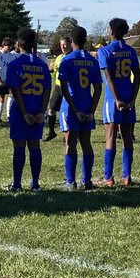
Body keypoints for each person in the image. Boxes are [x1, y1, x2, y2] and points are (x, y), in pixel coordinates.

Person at [4, 27, 51, 191]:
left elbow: (15, 91)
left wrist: (24, 113)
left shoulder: (15, 65)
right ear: (33, 44)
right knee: (35, 146)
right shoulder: (43, 66)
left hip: (20, 111)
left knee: (19, 146)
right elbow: (47, 90)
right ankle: (35, 184)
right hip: (37, 110)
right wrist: (41, 112)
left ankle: (17, 184)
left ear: (18, 43)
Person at [96, 18, 140, 186]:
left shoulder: (105, 51)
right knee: (127, 137)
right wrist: (133, 98)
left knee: (110, 137)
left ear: (112, 31)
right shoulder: (131, 51)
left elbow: (109, 77)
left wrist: (116, 99)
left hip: (112, 99)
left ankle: (108, 177)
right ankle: (127, 176)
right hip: (129, 96)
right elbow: (138, 76)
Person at [58, 25, 103, 190]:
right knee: (86, 143)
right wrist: (91, 111)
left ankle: (70, 182)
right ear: (85, 40)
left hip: (71, 108)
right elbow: (98, 88)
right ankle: (87, 181)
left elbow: (63, 88)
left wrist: (75, 110)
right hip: (86, 106)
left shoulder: (67, 60)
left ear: (72, 40)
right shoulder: (92, 61)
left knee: (70, 143)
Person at [44, 36, 71, 142]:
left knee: (67, 111)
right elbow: (55, 74)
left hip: (68, 88)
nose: (63, 47)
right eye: (61, 45)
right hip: (58, 86)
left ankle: (67, 134)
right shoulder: (59, 57)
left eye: (65, 44)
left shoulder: (71, 57)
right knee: (51, 109)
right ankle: (51, 131)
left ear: (70, 44)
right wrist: (51, 70)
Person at [0, 37, 18, 122]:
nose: (9, 48)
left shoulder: (11, 56)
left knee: (2, 97)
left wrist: (7, 80)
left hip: (5, 81)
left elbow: (11, 69)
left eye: (10, 46)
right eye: (8, 46)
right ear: (3, 45)